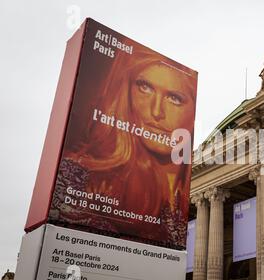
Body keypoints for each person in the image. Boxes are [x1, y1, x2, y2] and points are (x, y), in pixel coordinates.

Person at [51, 46, 197, 247]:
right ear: (125, 94)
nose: (156, 111)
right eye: (144, 87)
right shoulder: (76, 177)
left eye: (174, 98)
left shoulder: (179, 199)